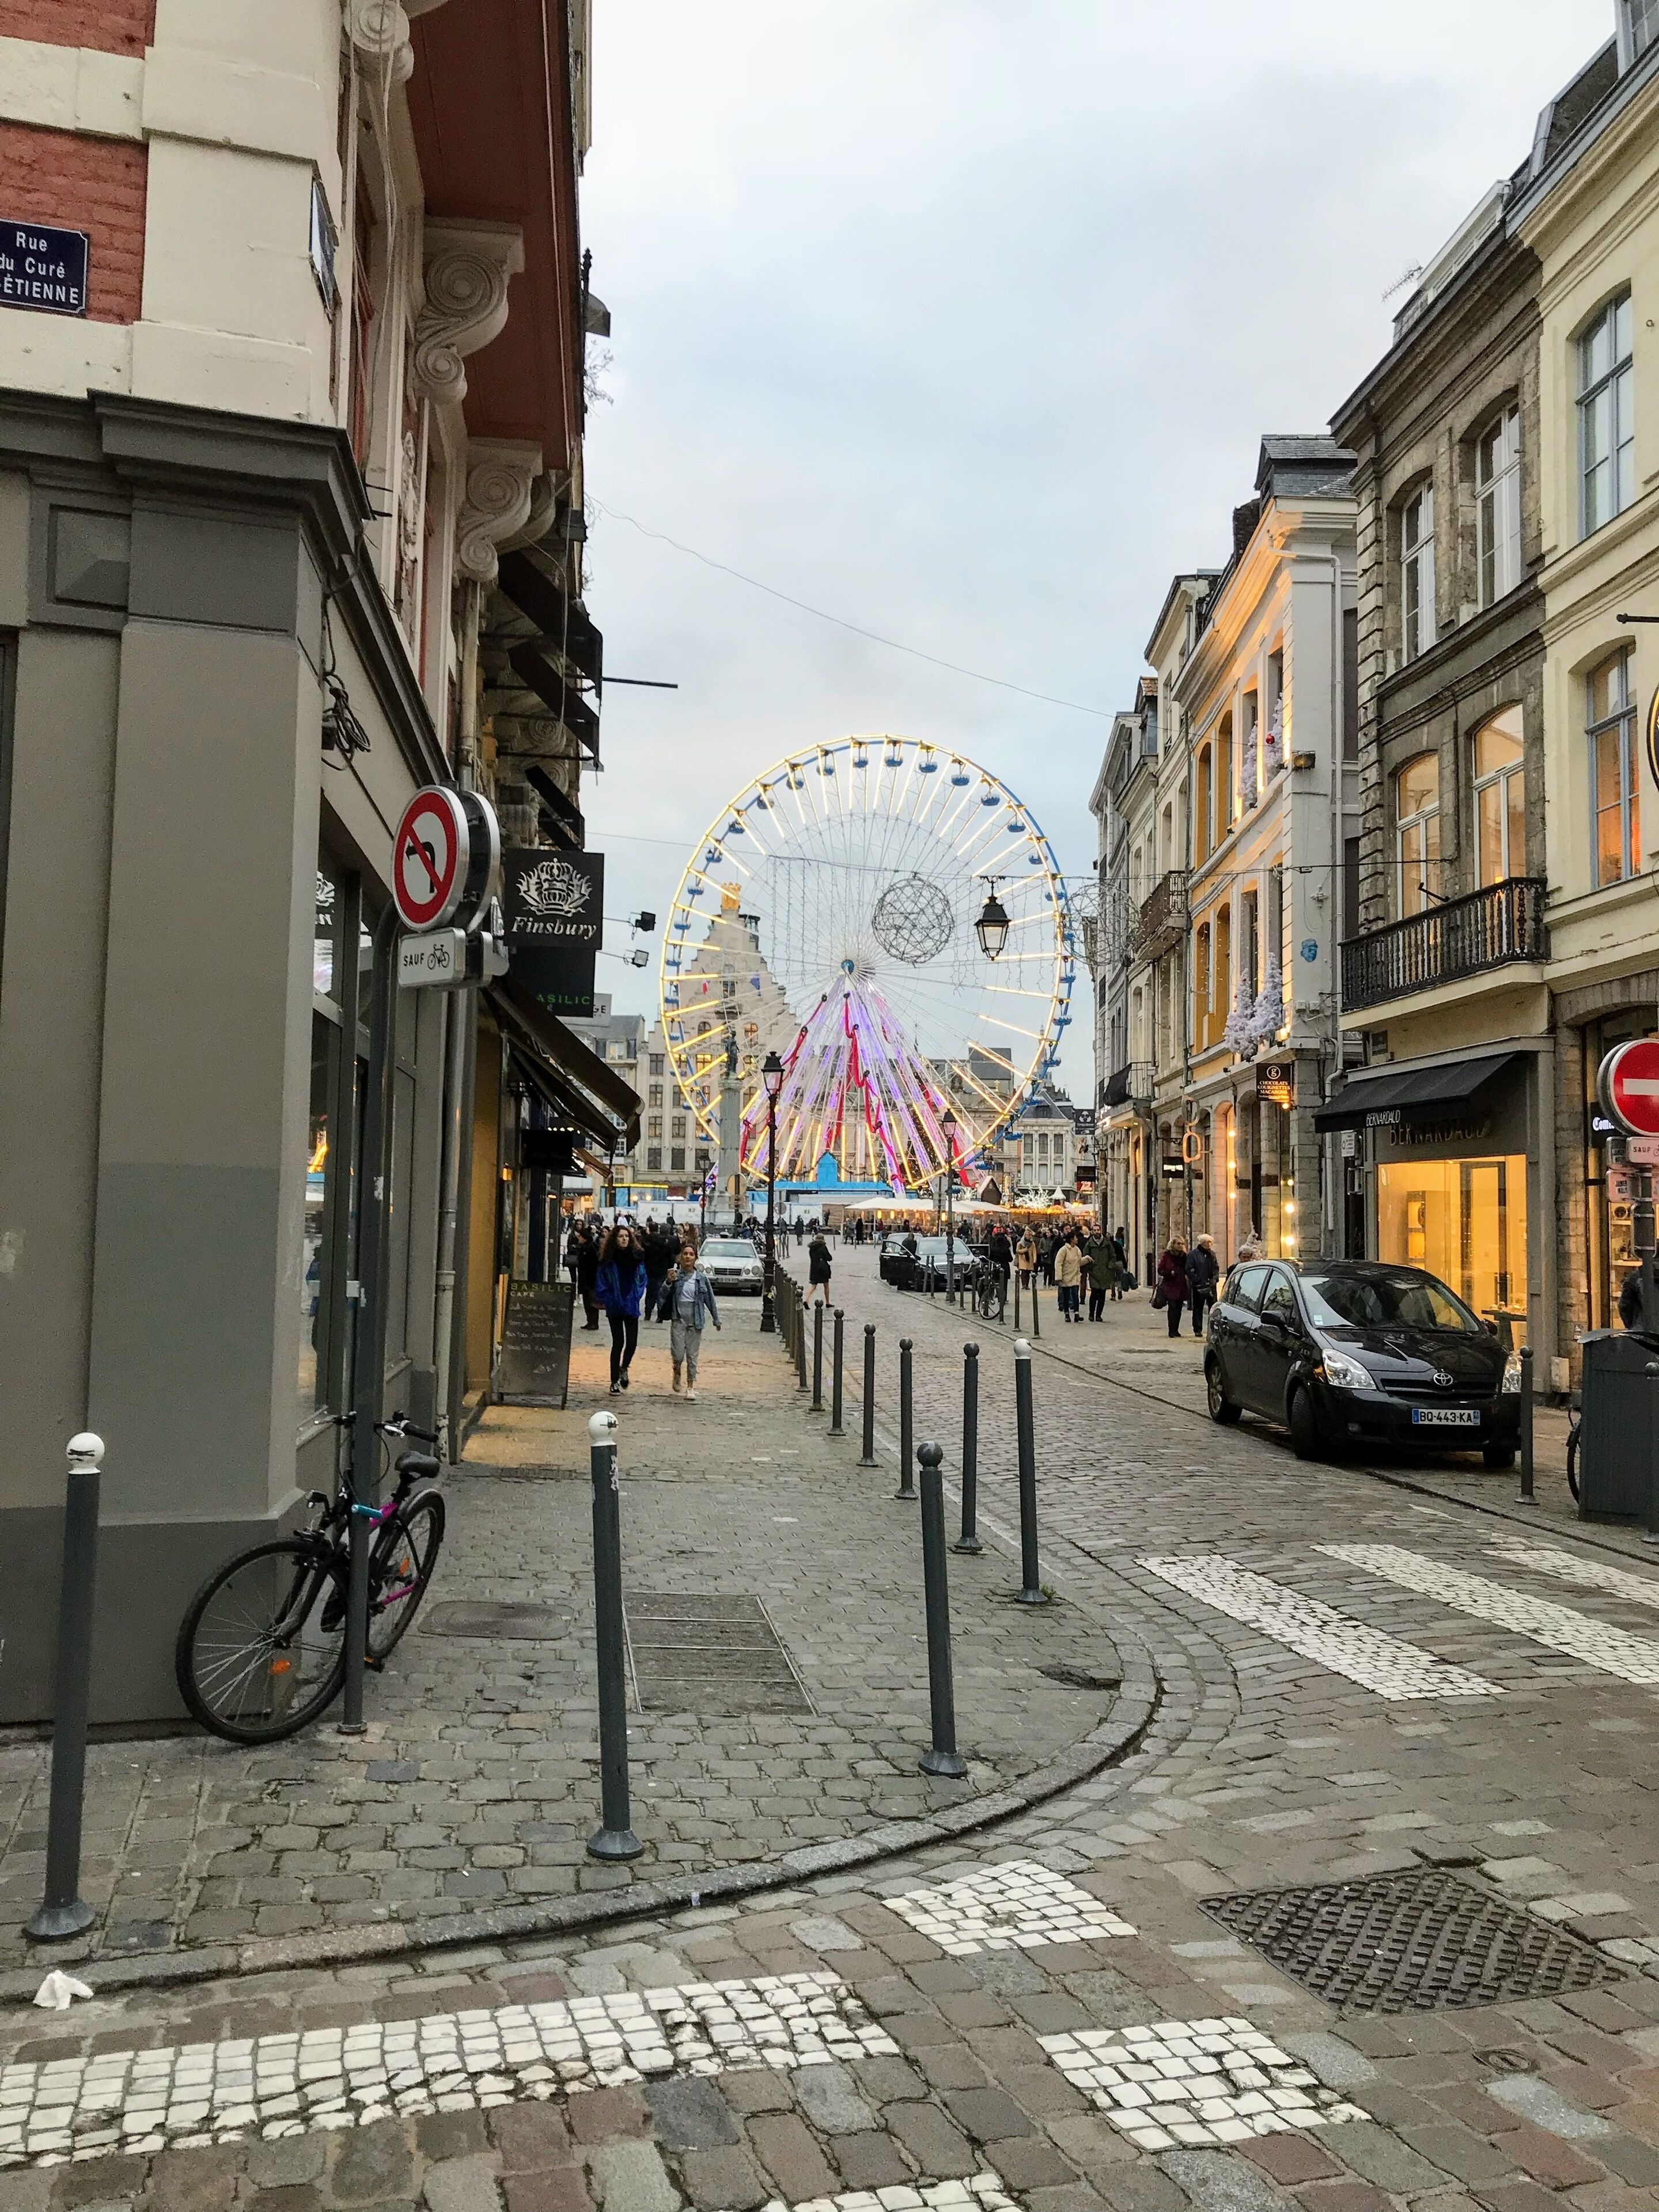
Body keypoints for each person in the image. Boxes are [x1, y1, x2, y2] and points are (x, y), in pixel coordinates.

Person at [655, 1241, 721, 1398]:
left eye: (691, 1254)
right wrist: (668, 1282)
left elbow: (710, 1300)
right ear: (681, 1257)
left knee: (692, 1355)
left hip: (695, 1319)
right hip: (678, 1318)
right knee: (678, 1354)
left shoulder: (701, 1279)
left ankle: (691, 1386)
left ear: (696, 1258)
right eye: (685, 1254)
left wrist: (716, 1319)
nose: (688, 1257)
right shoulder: (675, 1276)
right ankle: (677, 1370)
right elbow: (661, 1296)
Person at [596, 1222, 647, 1393]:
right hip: (615, 1305)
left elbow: (642, 1279)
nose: (624, 1239)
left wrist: (636, 1295)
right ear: (615, 1239)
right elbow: (601, 1281)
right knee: (618, 1343)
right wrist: (608, 1299)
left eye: (626, 1236)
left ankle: (624, 1367)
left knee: (632, 1343)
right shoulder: (607, 1260)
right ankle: (614, 1380)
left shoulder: (637, 1257)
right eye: (620, 1237)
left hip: (631, 1304)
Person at [1156, 1237, 1190, 1340]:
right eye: (1178, 1244)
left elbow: (1187, 1269)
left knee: (1179, 1308)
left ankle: (1176, 1330)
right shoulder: (1167, 1256)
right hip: (1170, 1285)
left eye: (1182, 1244)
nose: (1180, 1246)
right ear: (1173, 1244)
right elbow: (1160, 1269)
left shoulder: (1184, 1256)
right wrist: (1169, 1273)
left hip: (1181, 1285)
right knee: (1172, 1307)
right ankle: (1172, 1330)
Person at [1187, 1232, 1220, 1339]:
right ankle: (1198, 1329)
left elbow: (1216, 1268)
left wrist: (1215, 1278)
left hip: (1211, 1285)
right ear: (1202, 1243)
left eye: (1211, 1242)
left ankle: (1213, 1328)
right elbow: (1189, 1269)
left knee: (1213, 1308)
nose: (1210, 1244)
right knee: (1198, 1307)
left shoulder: (1212, 1254)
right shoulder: (1194, 1254)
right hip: (1199, 1285)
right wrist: (1197, 1280)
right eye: (1208, 1242)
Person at [575, 1222, 601, 1330]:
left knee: (591, 1302)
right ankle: (590, 1321)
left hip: (590, 1280)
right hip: (585, 1279)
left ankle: (593, 1322)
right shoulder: (584, 1247)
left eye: (580, 1236)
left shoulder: (590, 1248)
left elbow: (593, 1264)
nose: (579, 1238)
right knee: (587, 1301)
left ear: (584, 1238)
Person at [1054, 1227, 1082, 1321]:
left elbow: (1079, 1261)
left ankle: (1077, 1314)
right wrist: (1059, 1277)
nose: (1077, 1239)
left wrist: (1087, 1259)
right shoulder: (1064, 1250)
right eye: (1075, 1238)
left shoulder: (1077, 1250)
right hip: (1066, 1276)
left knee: (1075, 1295)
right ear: (1071, 1240)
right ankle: (1067, 1314)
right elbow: (1058, 1263)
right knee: (1066, 1296)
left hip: (1075, 1275)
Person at [988, 1224, 1013, 1319]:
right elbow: (1010, 1259)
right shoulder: (1006, 1250)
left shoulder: (994, 1249)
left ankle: (998, 1296)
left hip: (996, 1267)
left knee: (996, 1282)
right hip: (1005, 1267)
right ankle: (1004, 1298)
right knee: (1004, 1283)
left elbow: (991, 1258)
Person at [1085, 1232, 1107, 1322]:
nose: (1097, 1232)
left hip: (1104, 1273)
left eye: (1098, 1230)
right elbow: (1085, 1256)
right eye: (1095, 1230)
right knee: (1094, 1293)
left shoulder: (1107, 1244)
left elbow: (1113, 1256)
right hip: (1093, 1273)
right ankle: (1091, 1314)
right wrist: (1090, 1267)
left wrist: (1109, 1267)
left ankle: (1099, 1315)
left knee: (1102, 1293)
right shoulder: (1089, 1244)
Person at [807, 1229, 833, 1305]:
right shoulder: (823, 1247)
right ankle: (828, 1302)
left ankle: (806, 1299)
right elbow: (829, 1258)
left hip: (814, 1269)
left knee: (813, 1286)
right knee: (826, 1285)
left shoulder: (812, 1248)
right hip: (823, 1269)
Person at [1017, 1226, 1037, 1293]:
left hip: (1029, 1260)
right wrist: (1024, 1251)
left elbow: (1034, 1251)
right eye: (1027, 1235)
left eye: (1029, 1235)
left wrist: (1035, 1259)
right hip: (1023, 1259)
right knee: (1023, 1273)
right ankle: (1024, 1285)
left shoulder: (1032, 1243)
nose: (1028, 1236)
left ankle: (1027, 1285)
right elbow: (1017, 1251)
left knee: (1028, 1273)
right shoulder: (1021, 1243)